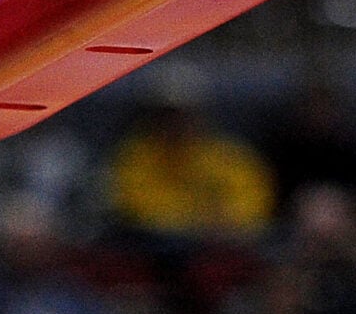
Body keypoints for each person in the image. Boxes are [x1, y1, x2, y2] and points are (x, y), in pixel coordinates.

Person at [106, 100, 276, 242]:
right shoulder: (134, 157)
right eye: (166, 118)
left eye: (182, 116)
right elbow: (135, 207)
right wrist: (193, 220)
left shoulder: (228, 157)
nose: (175, 125)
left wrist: (229, 220)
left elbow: (254, 201)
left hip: (225, 244)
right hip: (157, 246)